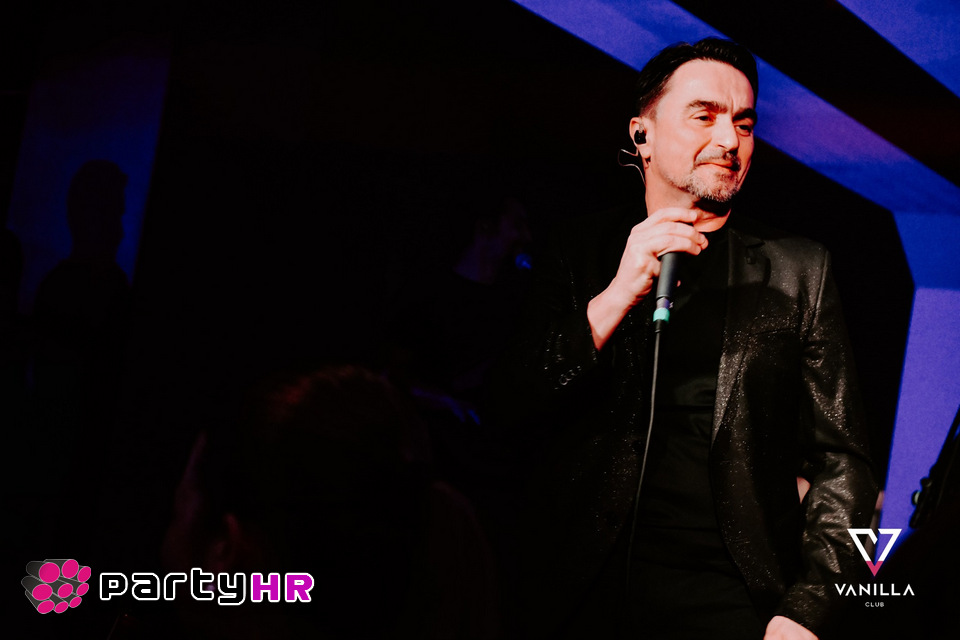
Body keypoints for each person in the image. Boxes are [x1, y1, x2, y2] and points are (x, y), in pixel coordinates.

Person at [501, 38, 877, 639]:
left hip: (727, 598)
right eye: (705, 116)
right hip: (578, 590)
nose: (730, 140)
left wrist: (808, 609)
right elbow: (512, 404)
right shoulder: (579, 251)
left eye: (744, 124)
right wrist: (618, 293)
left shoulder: (797, 269)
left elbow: (842, 460)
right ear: (642, 134)